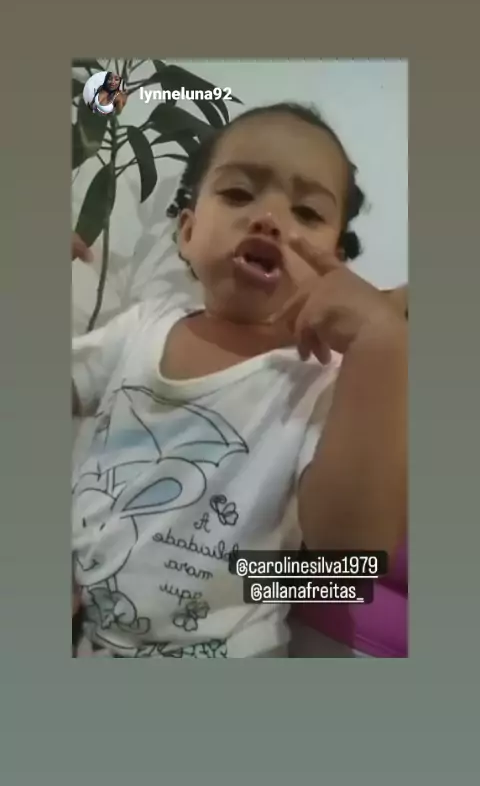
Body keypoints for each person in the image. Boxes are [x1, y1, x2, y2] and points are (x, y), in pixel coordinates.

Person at [71, 102, 407, 659]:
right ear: (187, 231)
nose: (269, 219)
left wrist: (381, 346)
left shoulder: (323, 379)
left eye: (307, 212)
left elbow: (352, 564)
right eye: (237, 194)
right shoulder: (139, 328)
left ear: (337, 263)